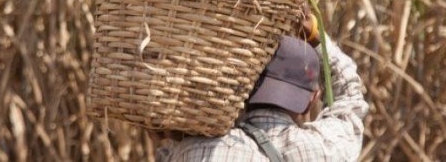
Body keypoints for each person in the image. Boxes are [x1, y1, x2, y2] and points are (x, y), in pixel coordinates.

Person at [156, 13, 369, 161]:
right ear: (309, 102)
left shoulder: (196, 149)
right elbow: (350, 98)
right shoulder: (322, 149)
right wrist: (314, 33)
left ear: (243, 88)